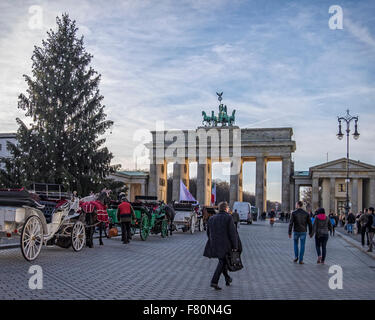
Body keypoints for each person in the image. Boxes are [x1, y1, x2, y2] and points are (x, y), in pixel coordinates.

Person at [203, 201, 238, 290]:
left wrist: (212, 241)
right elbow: (232, 233)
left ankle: (227, 278)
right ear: (226, 208)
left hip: (214, 244)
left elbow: (208, 232)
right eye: (228, 208)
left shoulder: (212, 218)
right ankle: (214, 281)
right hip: (225, 245)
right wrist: (235, 246)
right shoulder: (228, 218)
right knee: (222, 262)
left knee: (223, 261)